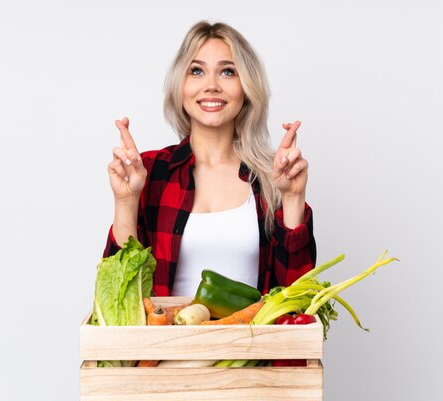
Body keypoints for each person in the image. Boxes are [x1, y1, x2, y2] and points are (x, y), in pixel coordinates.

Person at [103, 21, 316, 296]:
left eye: (227, 71)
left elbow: (298, 298)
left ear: (246, 87)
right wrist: (126, 200)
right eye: (197, 71)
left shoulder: (270, 177)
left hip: (253, 339)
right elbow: (120, 297)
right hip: (168, 338)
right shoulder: (150, 172)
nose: (212, 85)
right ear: (181, 86)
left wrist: (293, 197)